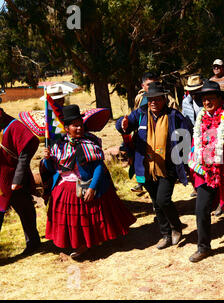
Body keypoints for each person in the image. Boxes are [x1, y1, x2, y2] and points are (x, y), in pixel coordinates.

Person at [42, 104, 136, 259]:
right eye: (75, 126)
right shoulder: (58, 145)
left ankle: (91, 243)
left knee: (94, 216)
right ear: (66, 128)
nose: (79, 128)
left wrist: (93, 187)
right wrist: (46, 159)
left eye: (80, 125)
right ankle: (78, 244)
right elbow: (51, 167)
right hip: (66, 188)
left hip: (89, 184)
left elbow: (99, 166)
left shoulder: (90, 142)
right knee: (74, 221)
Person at [116, 83, 192, 250]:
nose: (154, 102)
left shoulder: (174, 116)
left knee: (163, 200)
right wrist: (122, 123)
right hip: (145, 167)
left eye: (157, 99)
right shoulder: (141, 114)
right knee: (156, 204)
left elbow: (187, 136)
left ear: (164, 99)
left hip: (168, 167)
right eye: (151, 99)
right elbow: (124, 125)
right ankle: (165, 234)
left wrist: (184, 158)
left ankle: (176, 227)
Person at [188, 80, 224, 262]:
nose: (207, 102)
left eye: (211, 98)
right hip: (205, 171)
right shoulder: (200, 118)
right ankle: (203, 246)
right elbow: (195, 144)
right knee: (201, 209)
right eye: (204, 99)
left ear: (220, 99)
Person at [0, 107, 41, 256]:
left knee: (26, 212)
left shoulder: (14, 125)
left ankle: (33, 243)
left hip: (14, 178)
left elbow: (25, 154)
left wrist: (17, 179)